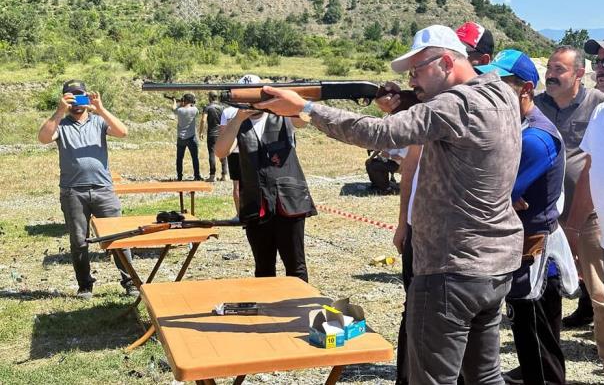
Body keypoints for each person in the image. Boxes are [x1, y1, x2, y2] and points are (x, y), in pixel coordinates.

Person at [256, 25, 523, 384]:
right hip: (494, 263)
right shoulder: (500, 92)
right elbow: (448, 118)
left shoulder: (455, 105)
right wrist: (405, 104)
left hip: (451, 267)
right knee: (485, 376)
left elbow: (381, 134)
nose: (413, 81)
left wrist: (306, 109)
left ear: (446, 62)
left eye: (417, 71)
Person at [376, 21, 495, 385]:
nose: (416, 79)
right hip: (424, 232)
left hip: (452, 252)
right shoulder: (432, 103)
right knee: (415, 319)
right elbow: (410, 165)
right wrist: (403, 221)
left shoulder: (475, 105)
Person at [476, 50, 578, 384]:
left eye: (501, 85)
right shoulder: (517, 127)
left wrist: (500, 191)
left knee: (537, 342)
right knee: (528, 336)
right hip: (522, 247)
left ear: (526, 90)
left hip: (535, 253)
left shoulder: (535, 138)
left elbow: (492, 192)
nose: (492, 93)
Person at [534, 46, 604, 380]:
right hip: (545, 217)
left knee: (602, 296)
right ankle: (542, 361)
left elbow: (588, 169)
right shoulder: (537, 106)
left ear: (577, 74)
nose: (551, 75)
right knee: (541, 292)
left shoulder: (597, 104)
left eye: (560, 69)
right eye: (549, 68)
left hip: (591, 218)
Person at [37, 79, 136, 299]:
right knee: (79, 241)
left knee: (118, 237)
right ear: (64, 98)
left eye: (80, 96)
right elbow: (43, 138)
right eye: (71, 97)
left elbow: (123, 132)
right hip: (73, 191)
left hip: (103, 189)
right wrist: (58, 111)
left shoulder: (98, 122)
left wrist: (100, 108)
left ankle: (130, 282)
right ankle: (85, 285)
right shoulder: (60, 125)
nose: (76, 102)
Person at [215, 76, 316, 282]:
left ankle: (300, 309)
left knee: (296, 266)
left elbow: (303, 120)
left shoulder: (283, 115)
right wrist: (238, 118)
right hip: (256, 202)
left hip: (289, 200)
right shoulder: (236, 121)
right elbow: (221, 151)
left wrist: (284, 102)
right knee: (263, 269)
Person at [567, 34, 604, 385]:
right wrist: (572, 231)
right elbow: (590, 171)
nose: (599, 69)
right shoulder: (602, 114)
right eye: (598, 62)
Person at [219, 75, 262, 221]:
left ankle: (240, 215)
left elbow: (223, 136)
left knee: (237, 185)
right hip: (250, 150)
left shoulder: (228, 111)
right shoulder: (260, 110)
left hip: (236, 152)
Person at [199, 91, 228, 182]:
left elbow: (203, 120)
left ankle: (212, 176)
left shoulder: (207, 107)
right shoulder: (222, 107)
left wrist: (201, 132)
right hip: (222, 133)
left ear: (210, 97)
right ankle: (224, 175)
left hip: (212, 134)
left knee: (212, 153)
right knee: (223, 153)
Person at [173, 93, 202, 181]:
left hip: (181, 137)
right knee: (195, 158)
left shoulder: (180, 110)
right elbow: (195, 109)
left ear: (183, 100)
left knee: (179, 158)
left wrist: (175, 101)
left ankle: (179, 176)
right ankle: (197, 176)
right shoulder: (194, 110)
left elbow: (173, 109)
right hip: (191, 137)